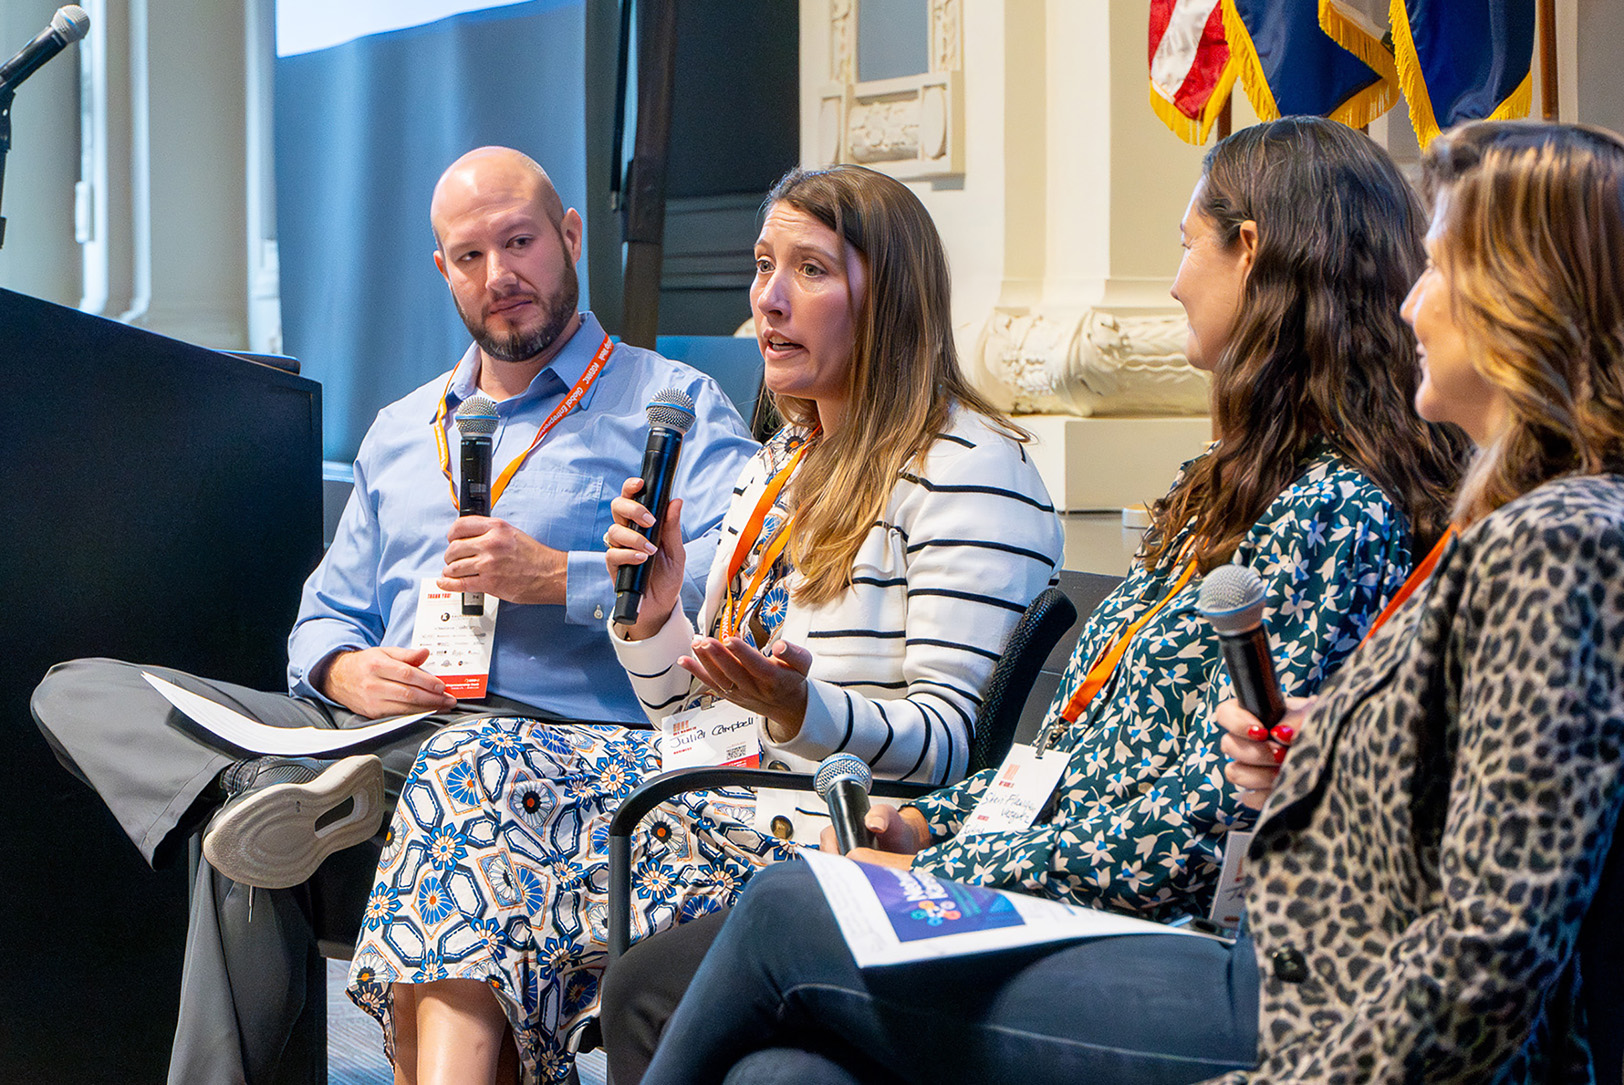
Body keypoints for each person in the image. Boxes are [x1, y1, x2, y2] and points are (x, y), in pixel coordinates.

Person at [638, 119, 1624, 1085]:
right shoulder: (1478, 521)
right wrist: (942, 830)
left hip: (1286, 987)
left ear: (1519, 299)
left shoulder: (1546, 536)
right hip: (1240, 947)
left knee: (781, 909)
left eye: (1442, 266)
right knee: (785, 1068)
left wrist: (957, 869)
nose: (1410, 304)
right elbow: (1106, 764)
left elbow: (1493, 939)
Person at [28, 145, 756, 1085]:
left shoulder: (674, 403)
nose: (501, 276)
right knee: (76, 690)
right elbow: (320, 621)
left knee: (242, 839)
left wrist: (560, 576)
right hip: (373, 727)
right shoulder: (403, 427)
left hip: (534, 756)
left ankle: (280, 794)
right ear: (442, 271)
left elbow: (724, 601)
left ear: (570, 237)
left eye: (521, 241)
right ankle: (289, 783)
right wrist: (342, 671)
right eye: (469, 256)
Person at [345, 163, 1066, 1084]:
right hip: (714, 793)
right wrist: (650, 623)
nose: (768, 299)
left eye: (809, 270)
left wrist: (800, 705)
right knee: (467, 768)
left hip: (824, 830)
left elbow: (953, 748)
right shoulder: (780, 465)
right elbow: (688, 711)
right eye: (764, 266)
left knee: (475, 828)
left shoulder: (968, 467)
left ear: (890, 296)